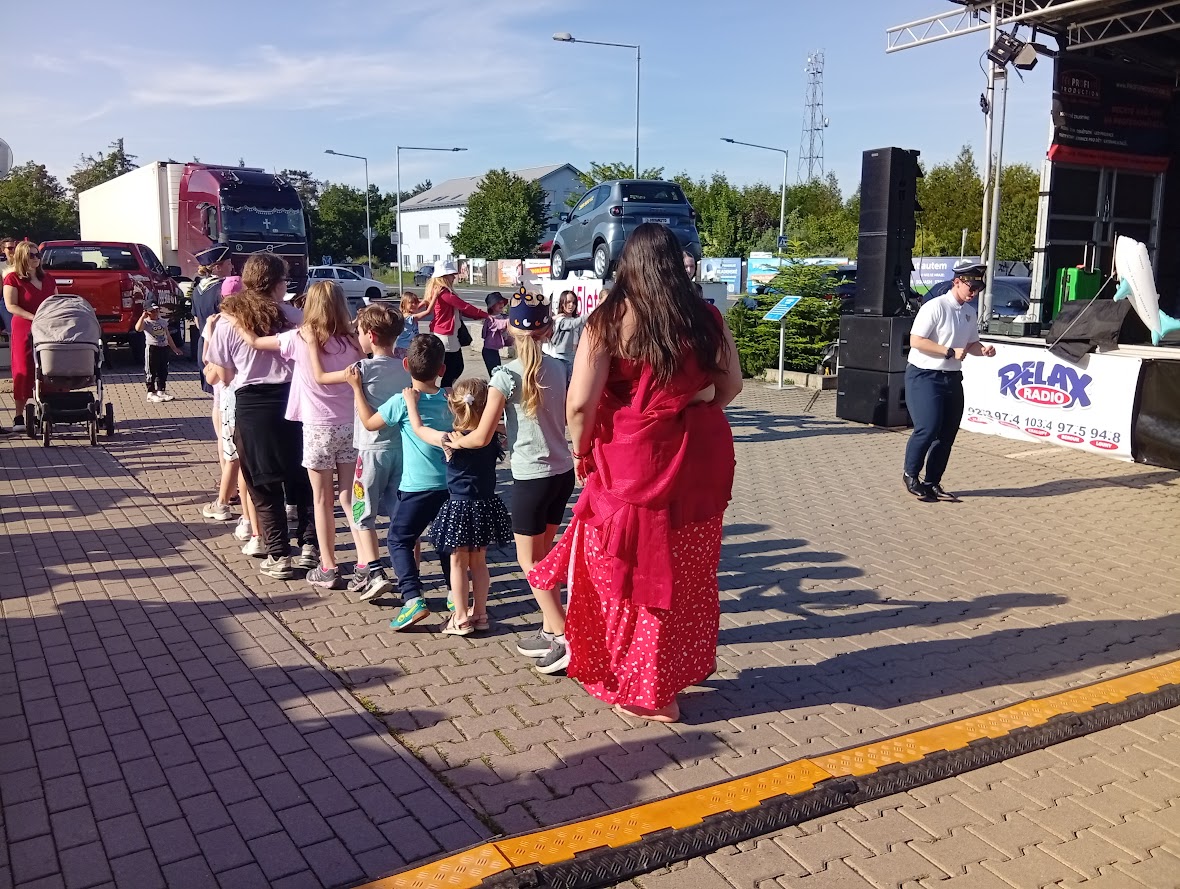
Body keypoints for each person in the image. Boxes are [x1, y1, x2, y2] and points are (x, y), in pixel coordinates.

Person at [529, 223, 743, 721]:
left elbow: (579, 403)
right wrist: (693, 405)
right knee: (689, 573)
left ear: (627, 264)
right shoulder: (705, 316)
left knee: (633, 578)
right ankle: (678, 671)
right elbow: (731, 384)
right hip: (700, 461)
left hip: (632, 466)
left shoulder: (609, 319)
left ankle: (653, 693)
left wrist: (580, 451)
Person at [448, 290, 575, 672]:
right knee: (545, 559)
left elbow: (480, 437)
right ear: (548, 329)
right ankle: (550, 629)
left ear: (509, 333)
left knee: (530, 562)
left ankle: (566, 636)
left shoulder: (504, 376)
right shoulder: (560, 368)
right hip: (561, 474)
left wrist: (454, 441)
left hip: (531, 479)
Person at [236, 281, 364, 588]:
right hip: (351, 426)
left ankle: (328, 565)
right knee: (350, 496)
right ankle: (365, 562)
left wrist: (235, 319)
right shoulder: (352, 340)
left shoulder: (300, 338)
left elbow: (255, 342)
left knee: (321, 500)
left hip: (317, 427)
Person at [205, 254, 316, 580]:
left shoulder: (229, 322)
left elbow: (224, 375)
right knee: (301, 476)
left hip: (254, 405)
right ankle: (310, 546)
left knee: (262, 482)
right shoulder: (296, 316)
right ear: (276, 283)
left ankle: (278, 554)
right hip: (295, 399)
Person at [307, 301, 408, 600]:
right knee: (400, 514)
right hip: (401, 449)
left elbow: (320, 377)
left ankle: (374, 571)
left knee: (362, 512)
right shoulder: (406, 365)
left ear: (371, 336)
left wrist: (312, 344)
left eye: (359, 333)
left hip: (370, 452)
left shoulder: (360, 370)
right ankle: (409, 574)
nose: (356, 338)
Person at [350, 334, 451, 630]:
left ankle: (412, 598)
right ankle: (455, 595)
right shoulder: (449, 399)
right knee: (446, 540)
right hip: (449, 485)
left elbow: (370, 423)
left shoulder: (403, 401)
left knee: (398, 539)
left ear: (406, 365)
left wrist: (357, 388)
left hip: (417, 487)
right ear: (442, 369)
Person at [404, 377, 511, 635]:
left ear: (453, 406)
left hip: (460, 509)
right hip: (485, 507)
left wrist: (411, 404)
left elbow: (419, 429)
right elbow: (509, 426)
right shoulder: (491, 437)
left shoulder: (450, 439)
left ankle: (461, 618)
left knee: (458, 564)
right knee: (480, 563)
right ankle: (481, 614)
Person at [903, 260, 997, 501]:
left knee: (947, 434)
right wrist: (948, 351)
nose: (974, 293)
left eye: (978, 289)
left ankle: (932, 482)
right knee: (927, 427)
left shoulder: (969, 312)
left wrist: (983, 350)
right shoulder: (935, 307)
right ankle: (910, 474)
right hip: (924, 375)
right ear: (957, 282)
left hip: (952, 377)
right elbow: (916, 340)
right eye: (971, 288)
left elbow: (970, 344)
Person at [4, 242, 58, 429]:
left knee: (49, 367)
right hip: (24, 327)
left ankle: (49, 410)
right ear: (22, 258)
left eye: (37, 255)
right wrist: (33, 317)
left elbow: (56, 300)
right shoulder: (13, 279)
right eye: (31, 255)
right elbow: (11, 305)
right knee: (25, 369)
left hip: (47, 327)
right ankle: (19, 415)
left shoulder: (48, 278)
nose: (36, 259)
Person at [422, 259, 487, 387]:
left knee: (452, 367)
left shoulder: (439, 291)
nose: (454, 277)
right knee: (454, 368)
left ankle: (444, 390)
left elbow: (459, 310)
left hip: (446, 334)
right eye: (452, 274)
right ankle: (445, 391)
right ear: (444, 276)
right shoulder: (444, 293)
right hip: (446, 335)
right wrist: (485, 315)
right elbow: (464, 306)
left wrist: (477, 316)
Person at [191, 245, 234, 395]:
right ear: (217, 267)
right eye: (228, 263)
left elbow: (197, 322)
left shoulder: (197, 290)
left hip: (204, 345)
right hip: (221, 350)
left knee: (216, 397)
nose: (232, 267)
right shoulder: (223, 290)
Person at [135, 301, 183, 402]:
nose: (155, 313)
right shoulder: (146, 322)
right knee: (151, 370)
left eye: (157, 310)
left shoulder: (162, 321)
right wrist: (142, 317)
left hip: (164, 347)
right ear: (147, 312)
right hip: (152, 348)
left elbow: (168, 336)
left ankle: (161, 390)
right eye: (152, 311)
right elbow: (138, 328)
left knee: (163, 370)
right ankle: (150, 392)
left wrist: (174, 348)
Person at [543, 290, 585, 387]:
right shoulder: (560, 319)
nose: (571, 305)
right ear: (562, 303)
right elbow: (571, 324)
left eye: (574, 303)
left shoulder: (576, 320)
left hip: (574, 358)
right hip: (560, 358)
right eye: (568, 302)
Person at [480, 292, 510, 374]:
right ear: (492, 306)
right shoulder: (490, 319)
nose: (501, 304)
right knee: (495, 373)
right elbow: (500, 324)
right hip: (489, 351)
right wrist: (513, 320)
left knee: (497, 371)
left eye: (502, 302)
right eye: (498, 303)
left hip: (494, 350)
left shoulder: (502, 316)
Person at [395, 292, 424, 359]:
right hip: (404, 349)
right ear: (403, 304)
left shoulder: (406, 315)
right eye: (411, 302)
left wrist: (424, 302)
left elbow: (414, 308)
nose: (414, 304)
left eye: (416, 303)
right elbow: (428, 312)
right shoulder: (408, 317)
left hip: (406, 347)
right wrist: (434, 297)